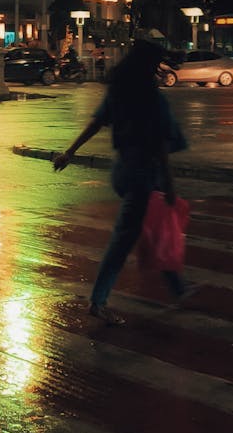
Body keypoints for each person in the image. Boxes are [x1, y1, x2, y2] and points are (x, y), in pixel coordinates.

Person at [53, 39, 191, 325]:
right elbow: (160, 144)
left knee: (150, 227)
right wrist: (169, 184)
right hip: (143, 173)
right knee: (124, 239)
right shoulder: (151, 97)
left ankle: (178, 287)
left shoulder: (119, 91)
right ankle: (98, 300)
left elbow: (95, 123)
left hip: (122, 171)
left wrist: (70, 151)